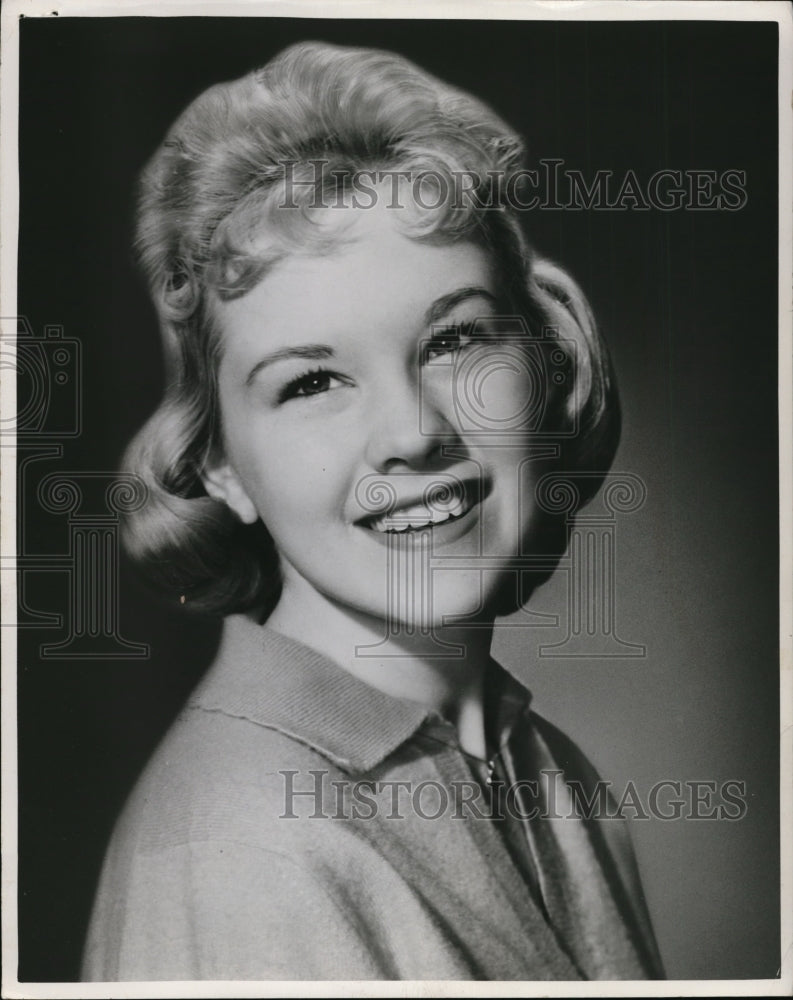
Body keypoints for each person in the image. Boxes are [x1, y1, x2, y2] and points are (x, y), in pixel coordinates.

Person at [81, 40, 664, 981]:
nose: (411, 432)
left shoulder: (552, 777)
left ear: (544, 363)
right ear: (218, 462)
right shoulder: (243, 849)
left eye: (456, 339)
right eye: (312, 380)